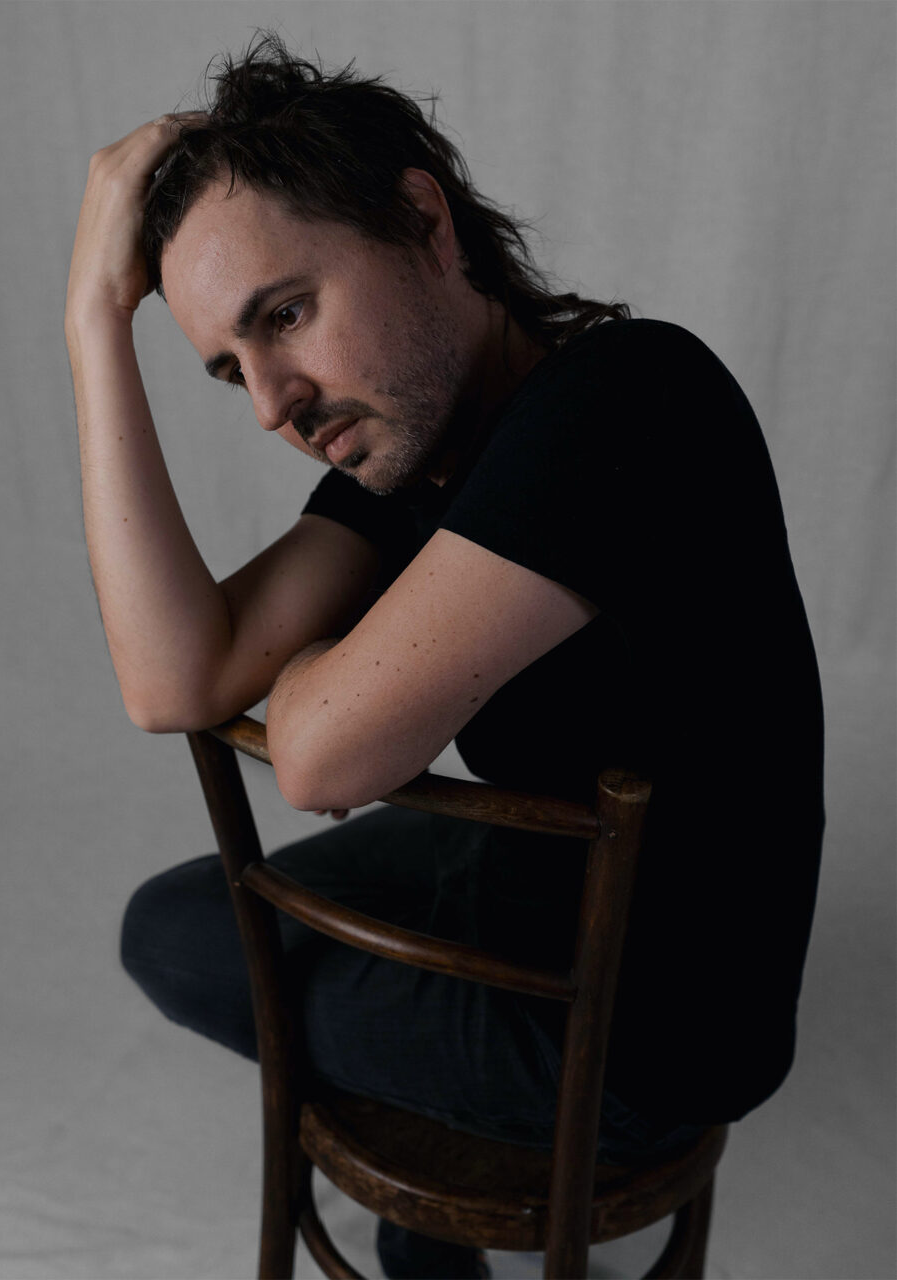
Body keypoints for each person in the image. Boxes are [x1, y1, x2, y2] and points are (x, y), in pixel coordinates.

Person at [65, 33, 825, 1279]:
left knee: (192, 940)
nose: (271, 402)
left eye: (286, 314)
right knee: (175, 923)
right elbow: (171, 681)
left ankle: (427, 1244)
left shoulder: (625, 399)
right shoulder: (416, 449)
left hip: (648, 1039)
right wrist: (92, 322)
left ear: (422, 220)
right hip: (530, 875)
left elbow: (316, 757)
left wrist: (322, 684)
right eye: (229, 367)